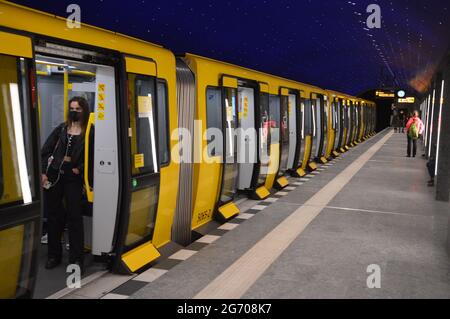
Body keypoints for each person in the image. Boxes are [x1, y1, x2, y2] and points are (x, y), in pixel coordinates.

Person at [41, 96, 91, 272]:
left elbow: (94, 156)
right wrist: (43, 173)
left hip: (74, 178)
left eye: (78, 109)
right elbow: (45, 151)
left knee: (74, 217)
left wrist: (82, 168)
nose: (74, 112)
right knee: (55, 217)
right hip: (55, 176)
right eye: (72, 108)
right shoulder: (62, 129)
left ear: (84, 110)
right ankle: (54, 255)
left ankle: (76, 259)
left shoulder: (89, 131)